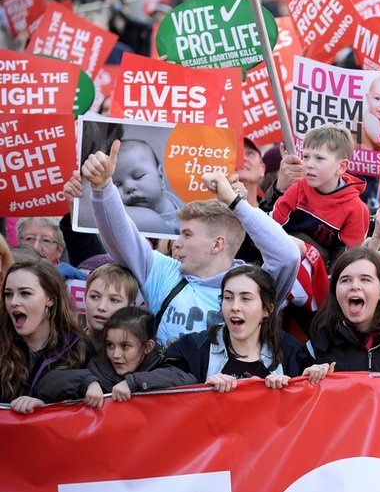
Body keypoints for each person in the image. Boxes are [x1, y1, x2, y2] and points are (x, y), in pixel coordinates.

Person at [67, 142, 301, 346]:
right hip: (169, 384)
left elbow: (287, 256)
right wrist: (102, 188)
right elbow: (122, 236)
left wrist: (235, 202)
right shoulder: (165, 273)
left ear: (217, 244)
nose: (176, 244)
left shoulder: (254, 287)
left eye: (187, 235)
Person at [165, 265, 309, 390]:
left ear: (267, 309)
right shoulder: (192, 348)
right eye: (228, 298)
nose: (234, 307)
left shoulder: (292, 352)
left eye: (245, 299)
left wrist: (300, 385)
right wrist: (199, 389)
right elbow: (163, 394)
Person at [303, 248, 380, 381]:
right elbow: (298, 391)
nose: (355, 286)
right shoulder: (318, 343)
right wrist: (308, 381)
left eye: (365, 280)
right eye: (345, 280)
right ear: (335, 291)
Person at [35, 307, 195, 406]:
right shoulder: (96, 367)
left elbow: (188, 380)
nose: (115, 355)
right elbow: (44, 384)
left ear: (148, 347)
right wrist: (86, 382)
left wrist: (134, 382)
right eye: (110, 345)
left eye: (125, 346)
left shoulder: (161, 365)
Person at [270, 125, 369, 270]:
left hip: (325, 275)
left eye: (319, 158)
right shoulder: (297, 188)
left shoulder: (356, 209)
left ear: (341, 167)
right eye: (306, 156)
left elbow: (349, 261)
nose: (309, 164)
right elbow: (270, 228)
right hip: (283, 261)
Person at [0, 260, 88, 414]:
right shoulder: (2, 346)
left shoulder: (81, 349)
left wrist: (45, 408)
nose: (13, 302)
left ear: (50, 298)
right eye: (8, 294)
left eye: (25, 293)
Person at [112, 139, 182, 233]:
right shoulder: (127, 218)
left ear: (160, 177)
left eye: (138, 176)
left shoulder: (184, 212)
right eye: (117, 184)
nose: (128, 187)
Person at [83, 264, 139, 339]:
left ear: (130, 307)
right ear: (85, 297)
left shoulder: (140, 345)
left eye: (114, 300)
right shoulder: (70, 341)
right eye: (94, 297)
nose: (101, 307)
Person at [16, 217, 82, 280]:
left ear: (59, 250)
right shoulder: (10, 271)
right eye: (29, 238)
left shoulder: (70, 279)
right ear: (19, 242)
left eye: (46, 240)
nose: (36, 247)